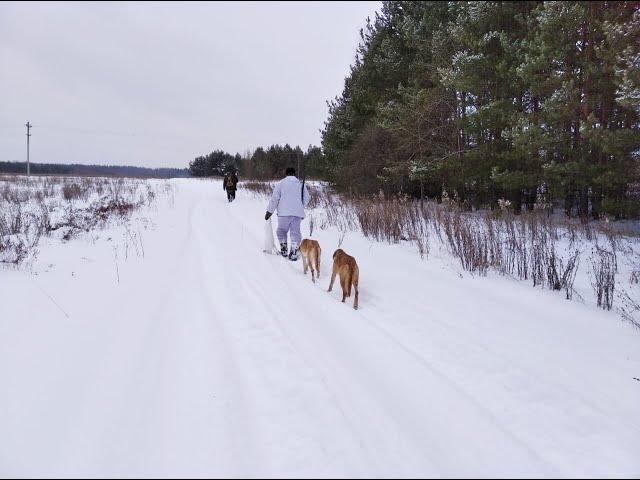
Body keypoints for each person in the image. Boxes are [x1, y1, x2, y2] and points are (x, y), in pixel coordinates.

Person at [264, 167, 310, 261]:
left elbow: (274, 199)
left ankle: (284, 248)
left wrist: (269, 212)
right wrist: (300, 205)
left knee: (281, 231)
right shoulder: (300, 184)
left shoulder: (281, 183)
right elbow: (307, 198)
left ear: (286, 173)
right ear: (294, 174)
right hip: (297, 214)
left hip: (283, 213)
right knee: (295, 233)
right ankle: (293, 251)